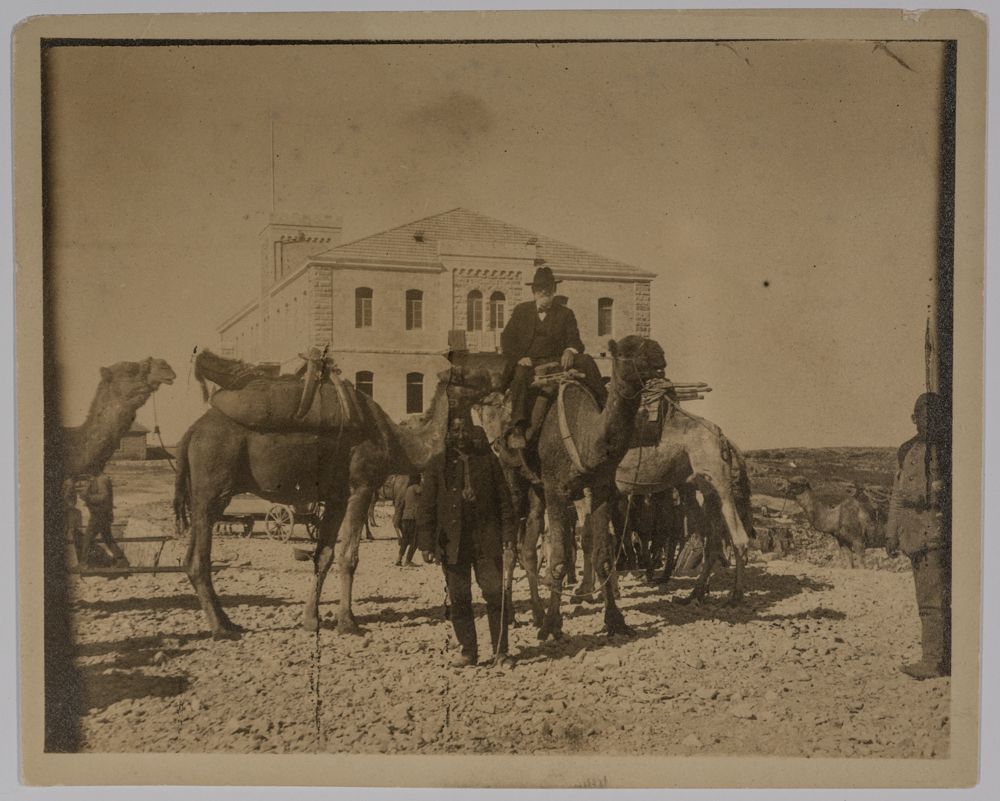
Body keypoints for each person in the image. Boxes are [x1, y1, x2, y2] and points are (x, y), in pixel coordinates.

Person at [416, 414, 517, 669]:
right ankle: (469, 652)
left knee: (495, 593)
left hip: (486, 540)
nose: (461, 436)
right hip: (453, 542)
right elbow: (426, 506)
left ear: (473, 431)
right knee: (459, 597)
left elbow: (504, 501)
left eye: (465, 430)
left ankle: (501, 651)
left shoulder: (489, 461)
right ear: (448, 433)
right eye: (456, 430)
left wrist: (508, 536)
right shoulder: (436, 464)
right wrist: (426, 543)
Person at [499, 266, 607, 450]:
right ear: (534, 291)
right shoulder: (521, 311)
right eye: (540, 288)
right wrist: (519, 357)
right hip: (530, 362)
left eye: (548, 287)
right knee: (519, 377)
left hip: (558, 359)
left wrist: (569, 351)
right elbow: (507, 339)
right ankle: (518, 427)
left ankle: (604, 405)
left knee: (587, 360)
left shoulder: (565, 313)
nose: (544, 291)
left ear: (554, 290)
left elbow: (575, 340)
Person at [885, 392, 951, 680]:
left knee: (933, 600)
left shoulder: (948, 448)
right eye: (922, 414)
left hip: (937, 531)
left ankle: (933, 662)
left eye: (933, 414)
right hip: (913, 533)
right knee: (926, 598)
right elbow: (898, 496)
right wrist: (891, 532)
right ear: (913, 418)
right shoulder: (906, 450)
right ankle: (938, 658)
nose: (927, 420)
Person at [78, 471, 129, 569]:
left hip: (100, 515)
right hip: (99, 514)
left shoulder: (102, 479)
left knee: (87, 538)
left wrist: (89, 497)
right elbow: (84, 495)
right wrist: (88, 487)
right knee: (107, 538)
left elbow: (104, 496)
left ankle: (83, 563)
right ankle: (121, 561)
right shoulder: (93, 479)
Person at [392, 475, 422, 567]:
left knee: (405, 539)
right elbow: (426, 492)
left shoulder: (407, 489)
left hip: (405, 517)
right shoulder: (416, 487)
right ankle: (408, 560)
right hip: (413, 517)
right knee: (415, 540)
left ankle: (399, 559)